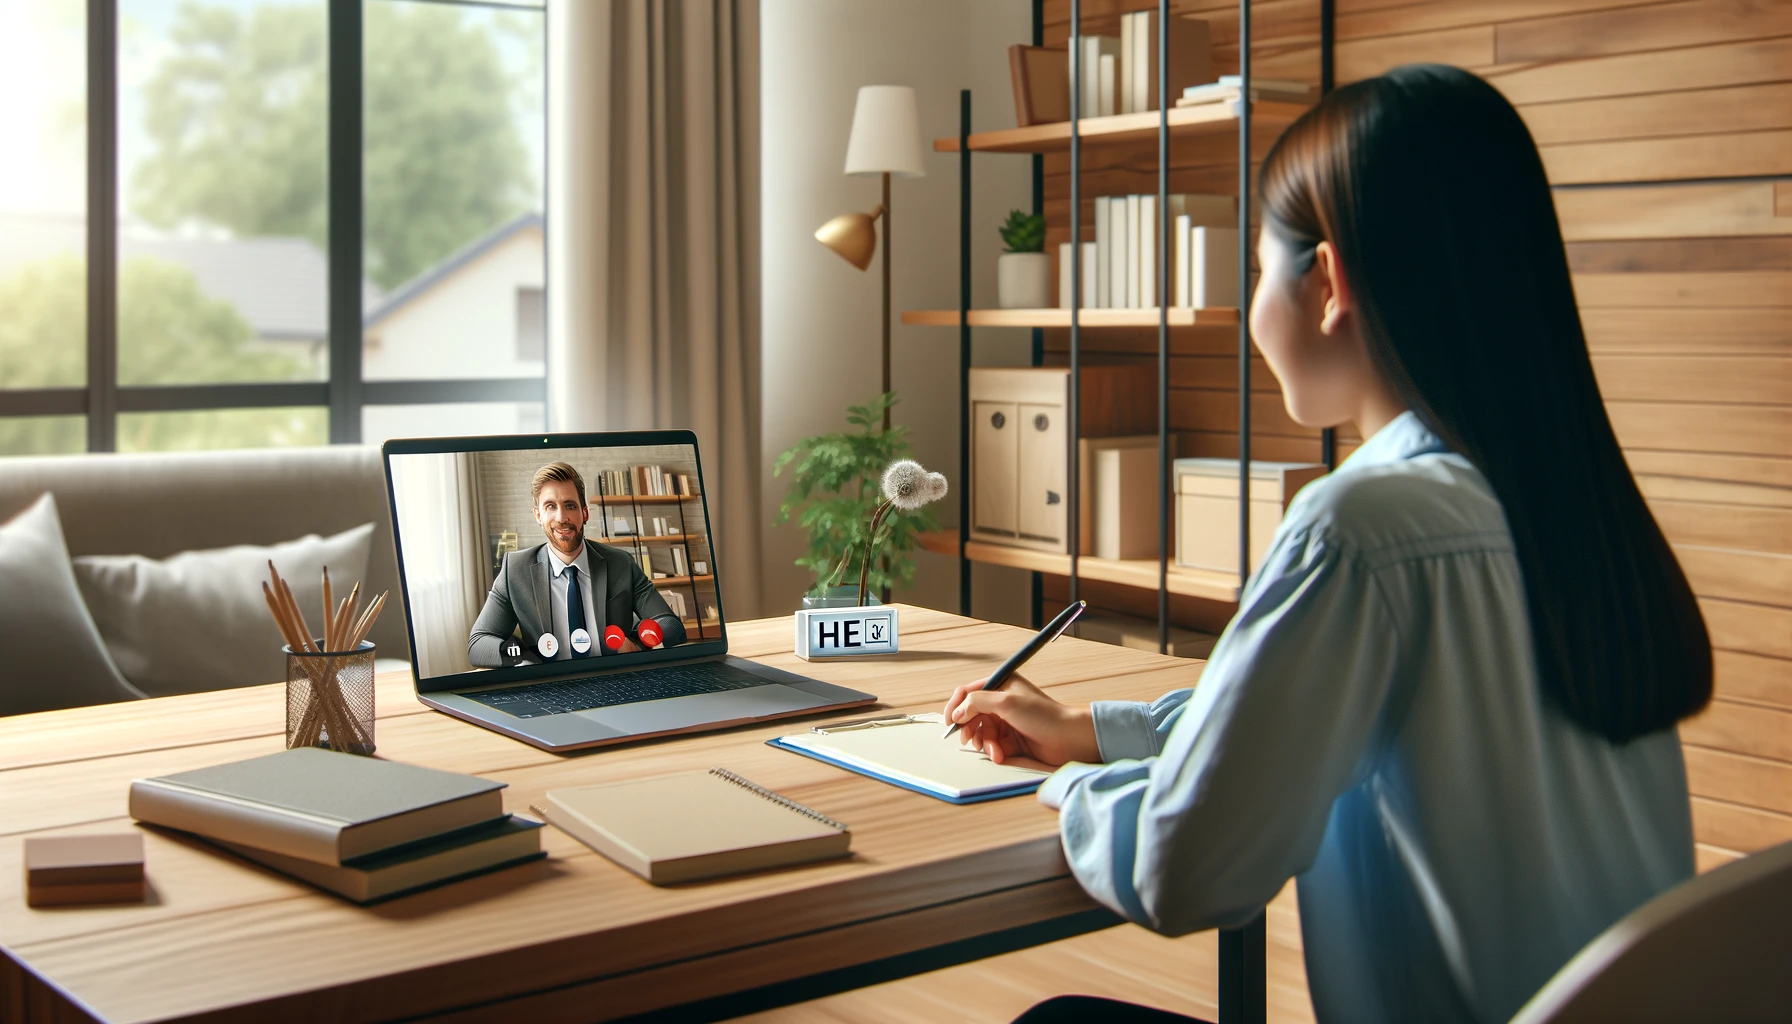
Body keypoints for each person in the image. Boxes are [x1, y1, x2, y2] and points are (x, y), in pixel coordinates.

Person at [945, 65, 1713, 1024]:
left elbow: (1190, 868)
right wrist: (1097, 733)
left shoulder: (1359, 527)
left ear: (1329, 280)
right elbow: (1325, 724)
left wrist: (1070, 788)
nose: (1258, 305)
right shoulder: (1565, 503)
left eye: (1259, 269)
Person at [468, 461, 686, 667]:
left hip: (614, 680)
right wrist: (523, 658)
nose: (561, 517)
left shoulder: (620, 563)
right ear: (538, 515)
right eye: (550, 506)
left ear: (585, 513)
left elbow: (670, 625)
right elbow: (478, 643)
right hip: (551, 690)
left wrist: (636, 642)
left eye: (570, 506)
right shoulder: (515, 570)